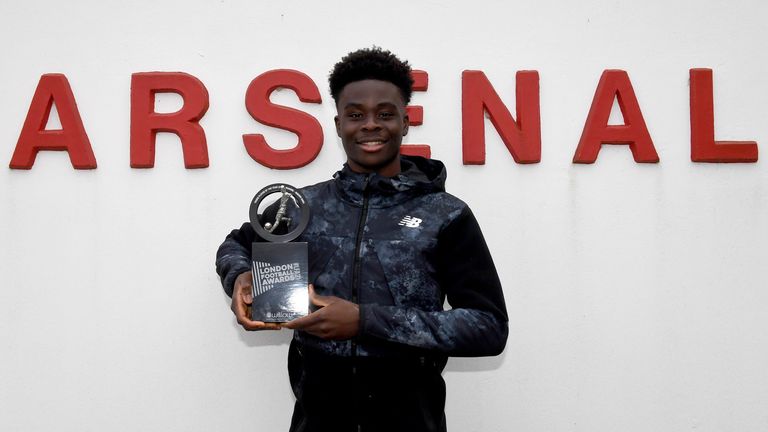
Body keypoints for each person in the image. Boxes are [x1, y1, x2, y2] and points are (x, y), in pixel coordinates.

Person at [215, 47, 508, 432]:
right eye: (356, 115)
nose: (370, 125)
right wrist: (240, 276)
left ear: (405, 122)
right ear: (338, 125)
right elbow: (235, 245)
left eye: (385, 114)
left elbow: (488, 327)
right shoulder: (303, 206)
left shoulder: (445, 214)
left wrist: (364, 321)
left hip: (412, 421)